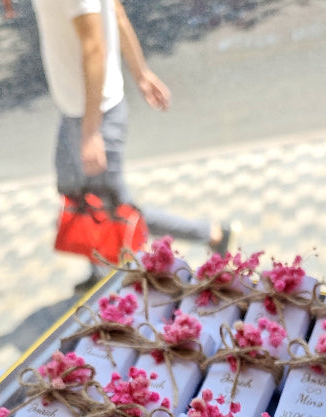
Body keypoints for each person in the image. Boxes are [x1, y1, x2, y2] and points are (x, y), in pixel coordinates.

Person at [30, 0, 230, 290]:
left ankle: (210, 234)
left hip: (95, 114)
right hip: (73, 111)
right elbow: (116, 10)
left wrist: (91, 132)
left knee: (118, 212)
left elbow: (94, 49)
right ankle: (100, 268)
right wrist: (141, 72)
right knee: (76, 195)